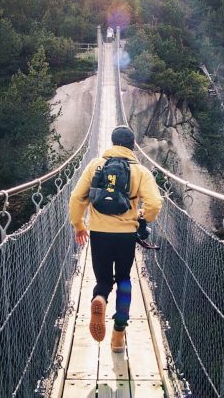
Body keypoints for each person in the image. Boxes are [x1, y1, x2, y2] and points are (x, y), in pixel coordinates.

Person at [69, 125, 162, 353]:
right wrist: (142, 217)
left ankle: (99, 297)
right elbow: (154, 204)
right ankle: (118, 334)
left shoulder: (95, 165)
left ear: (111, 143)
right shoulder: (140, 171)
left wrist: (79, 224)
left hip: (99, 233)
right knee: (123, 280)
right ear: (133, 146)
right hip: (125, 236)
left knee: (103, 279)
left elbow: (76, 197)